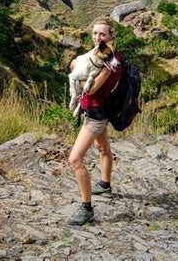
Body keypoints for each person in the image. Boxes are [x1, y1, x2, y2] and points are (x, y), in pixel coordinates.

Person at [67, 16, 122, 226]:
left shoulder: (110, 62)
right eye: (94, 33)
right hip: (96, 110)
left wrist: (74, 69)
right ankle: (105, 185)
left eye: (102, 34)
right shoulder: (100, 56)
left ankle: (86, 208)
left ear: (111, 36)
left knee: (75, 159)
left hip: (97, 115)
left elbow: (91, 88)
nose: (97, 37)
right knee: (102, 148)